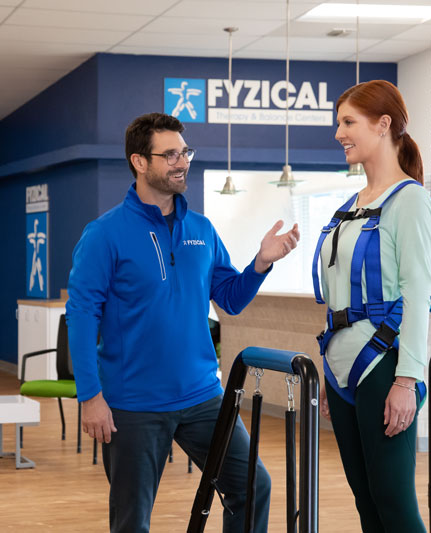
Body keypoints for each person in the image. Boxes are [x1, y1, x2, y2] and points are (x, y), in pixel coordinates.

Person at [66, 112, 300, 533]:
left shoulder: (202, 229)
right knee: (131, 521)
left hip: (202, 396)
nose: (182, 161)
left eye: (184, 152)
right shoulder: (104, 234)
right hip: (133, 403)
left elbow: (229, 299)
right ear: (140, 162)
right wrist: (90, 396)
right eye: (169, 154)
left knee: (252, 485)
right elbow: (81, 317)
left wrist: (261, 263)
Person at [314, 80, 431, 532]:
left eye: (348, 122)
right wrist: (330, 369)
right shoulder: (352, 205)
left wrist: (408, 378)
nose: (338, 132)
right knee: (366, 503)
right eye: (338, 122)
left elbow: (418, 295)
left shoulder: (409, 201)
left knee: (394, 504)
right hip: (341, 369)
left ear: (383, 125)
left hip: (384, 365)